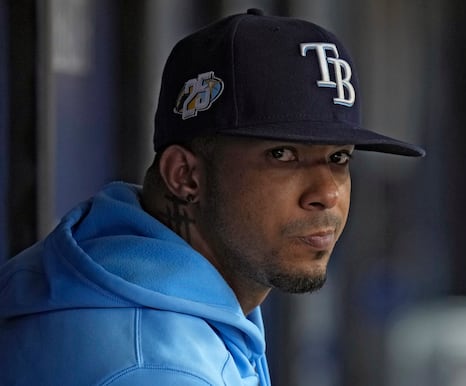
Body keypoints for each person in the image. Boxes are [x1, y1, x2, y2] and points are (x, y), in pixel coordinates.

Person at [0, 8, 425, 386]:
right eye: (283, 155)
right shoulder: (161, 369)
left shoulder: (99, 273)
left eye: (338, 158)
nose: (327, 193)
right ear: (185, 176)